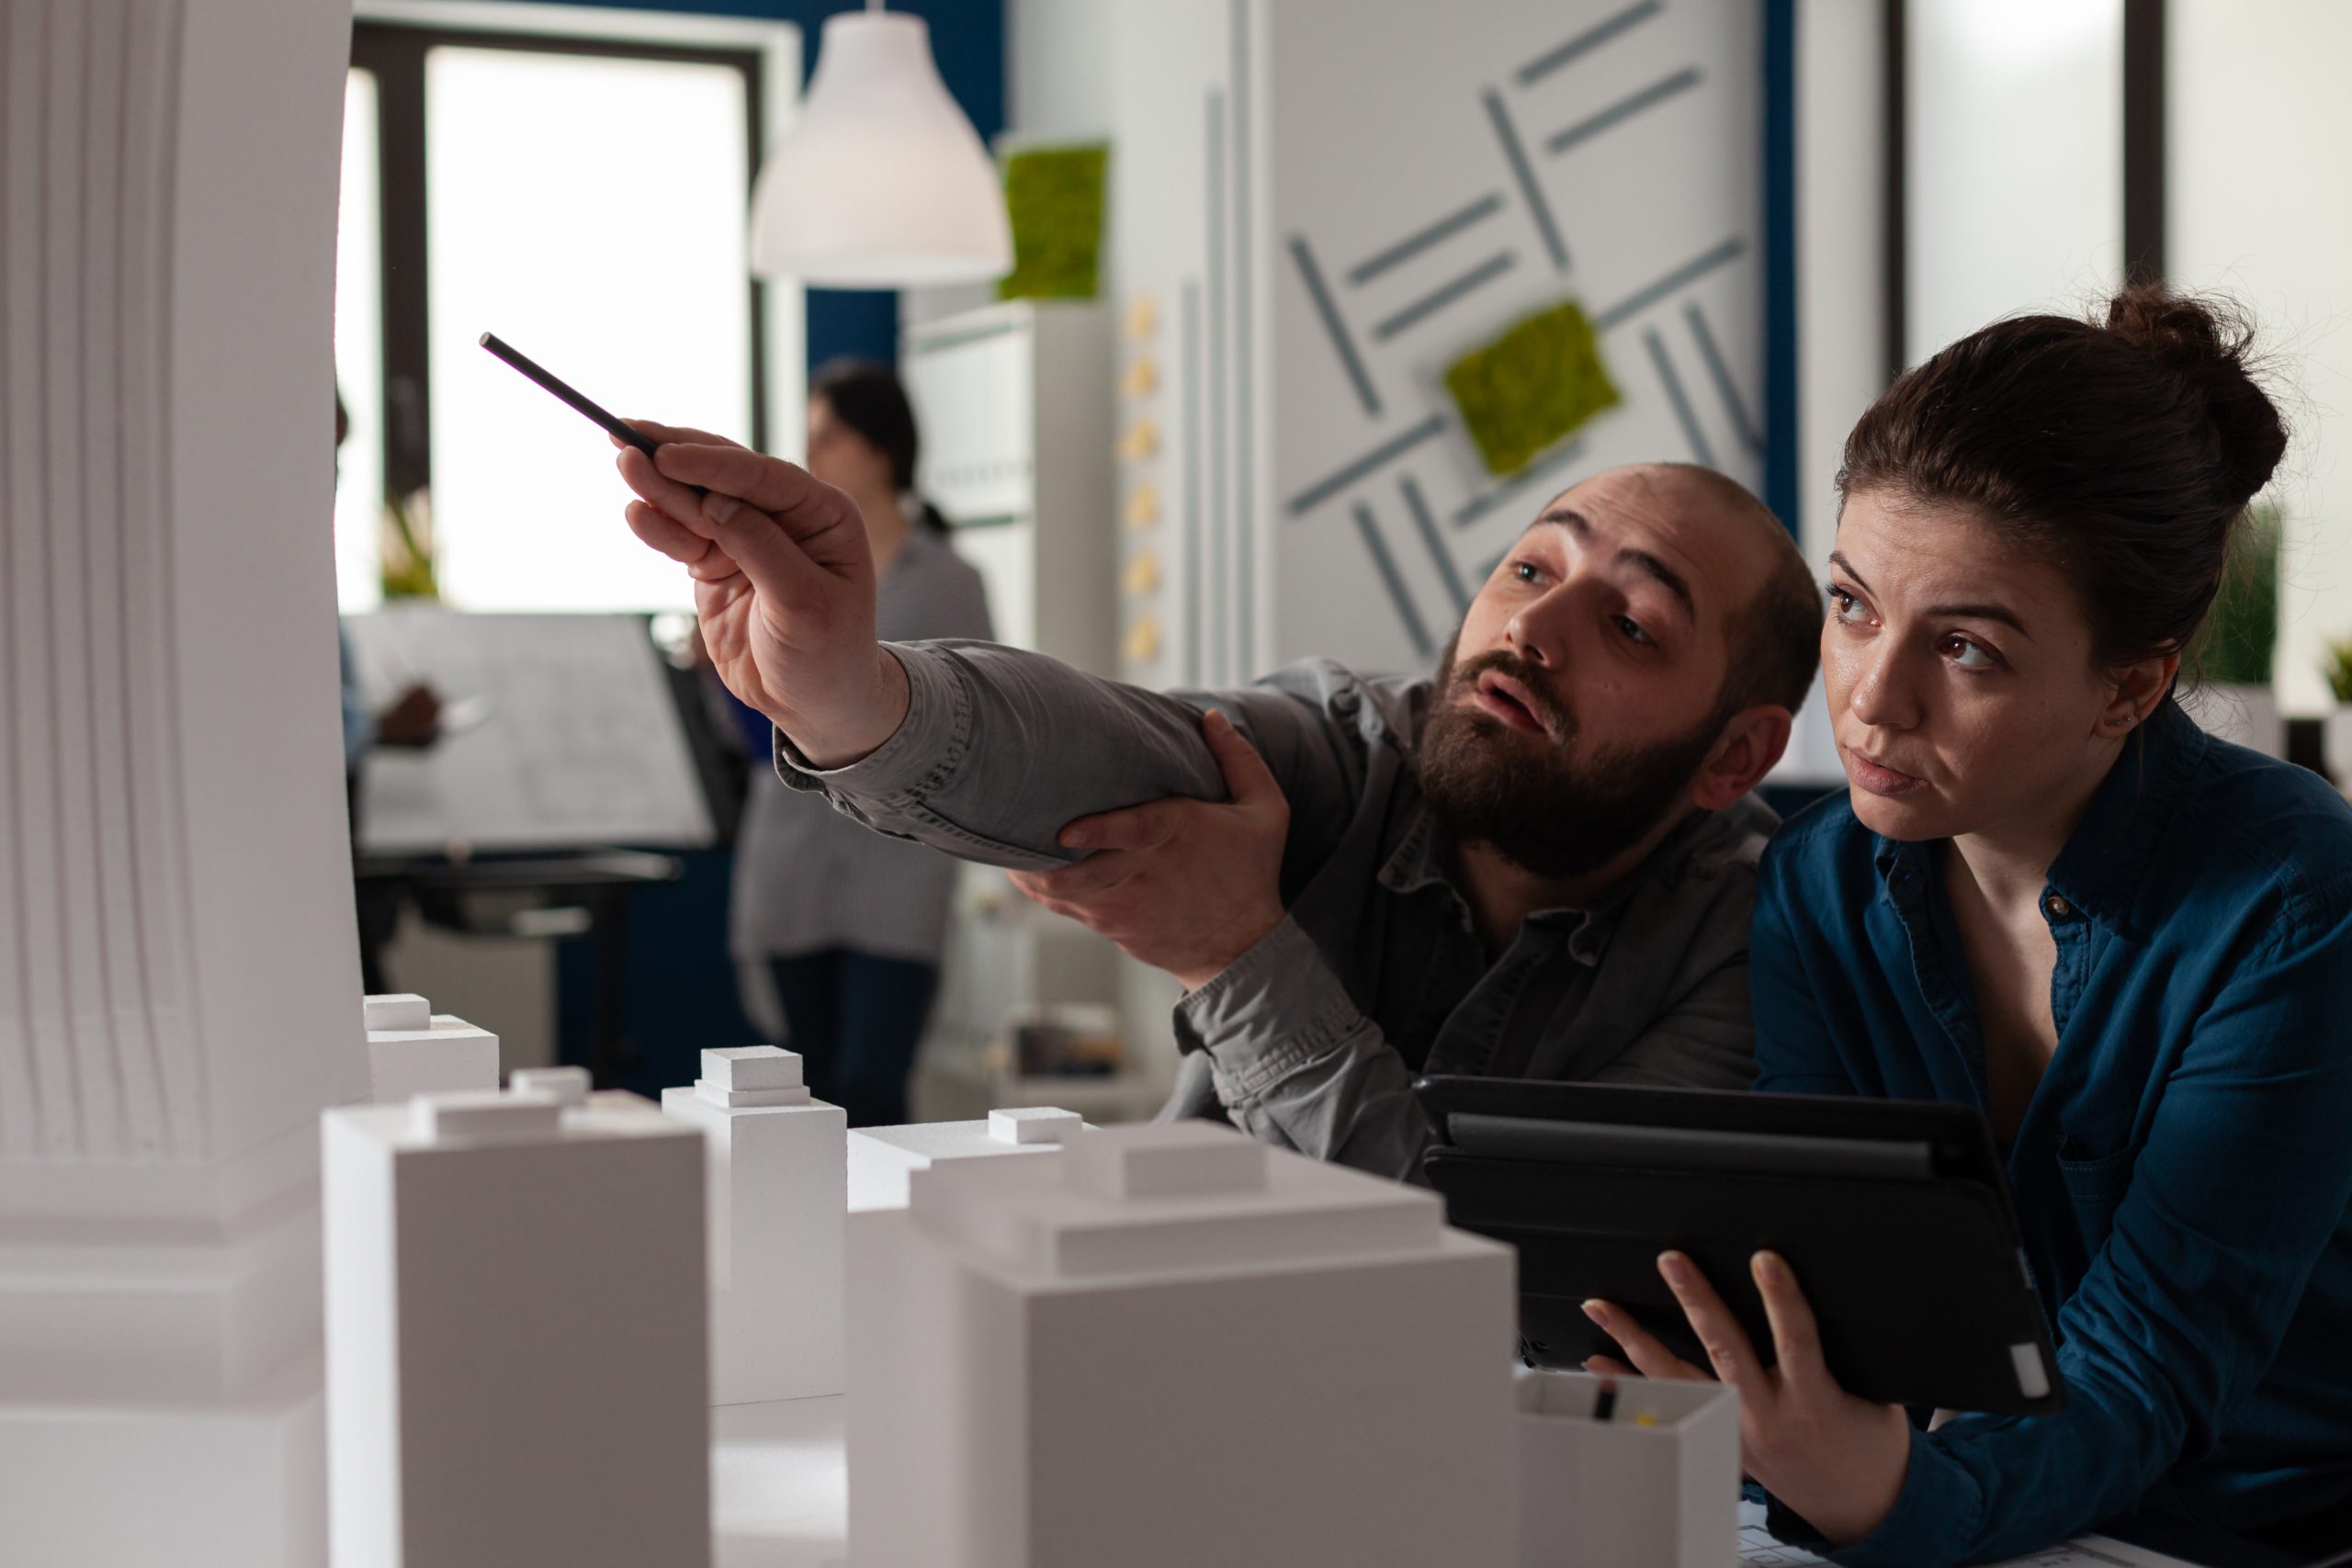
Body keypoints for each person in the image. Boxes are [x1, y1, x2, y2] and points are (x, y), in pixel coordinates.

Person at [1582, 288, 2352, 1564]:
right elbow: (1822, 1270)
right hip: (1974, 1489)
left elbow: (2153, 1360)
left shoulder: (2292, 897)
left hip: (2261, 1528)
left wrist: (1896, 1495)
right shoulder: (1819, 886)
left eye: (1965, 649)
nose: (1870, 700)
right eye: (1851, 605)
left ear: (2130, 683)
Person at [613, 406, 1821, 1179]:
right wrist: (851, 694)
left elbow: (1499, 1265)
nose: (1532, 628)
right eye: (1530, 566)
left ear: (1733, 756)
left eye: (1631, 623)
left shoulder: (1751, 946)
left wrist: (1239, 957)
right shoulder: (1353, 747)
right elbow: (1106, 746)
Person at [727, 362, 991, 1127]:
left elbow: (979, 720)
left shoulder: (949, 579)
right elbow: (757, 730)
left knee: (874, 1088)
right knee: (802, 1097)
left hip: (898, 874)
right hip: (793, 867)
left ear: (880, 448)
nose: (811, 453)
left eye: (829, 436)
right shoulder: (781, 575)